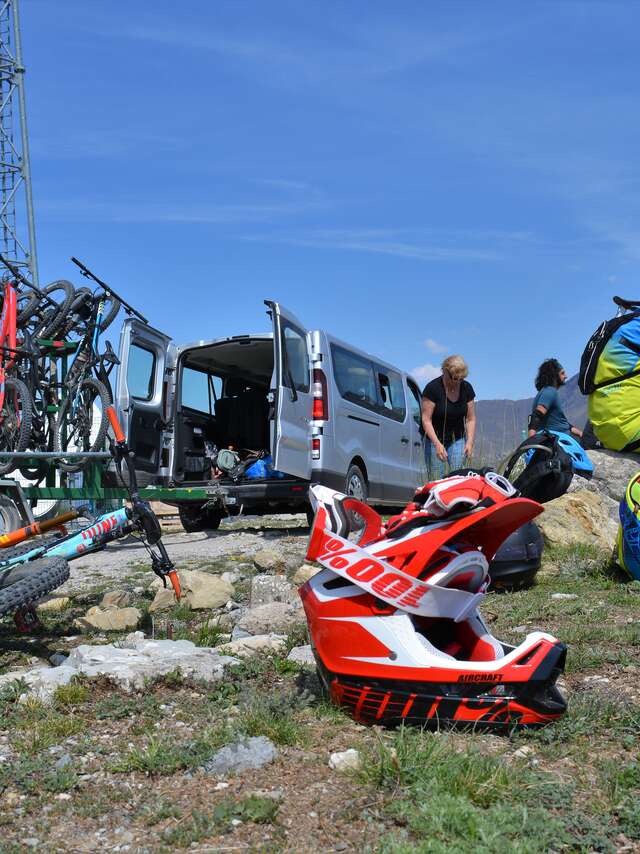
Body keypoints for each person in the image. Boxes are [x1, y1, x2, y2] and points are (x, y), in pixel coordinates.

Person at [421, 355, 476, 480]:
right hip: (433, 438)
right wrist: (437, 444)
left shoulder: (467, 388)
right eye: (454, 378)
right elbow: (426, 420)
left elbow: (470, 419)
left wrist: (470, 442)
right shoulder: (432, 389)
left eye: (460, 379)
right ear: (444, 371)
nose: (457, 382)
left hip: (457, 438)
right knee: (437, 479)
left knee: (458, 477)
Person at [528, 359, 583, 440]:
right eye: (562, 373)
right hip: (560, 440)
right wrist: (531, 440)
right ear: (554, 375)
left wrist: (580, 433)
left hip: (563, 435)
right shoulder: (550, 391)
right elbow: (537, 415)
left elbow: (562, 423)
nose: (566, 376)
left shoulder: (546, 391)